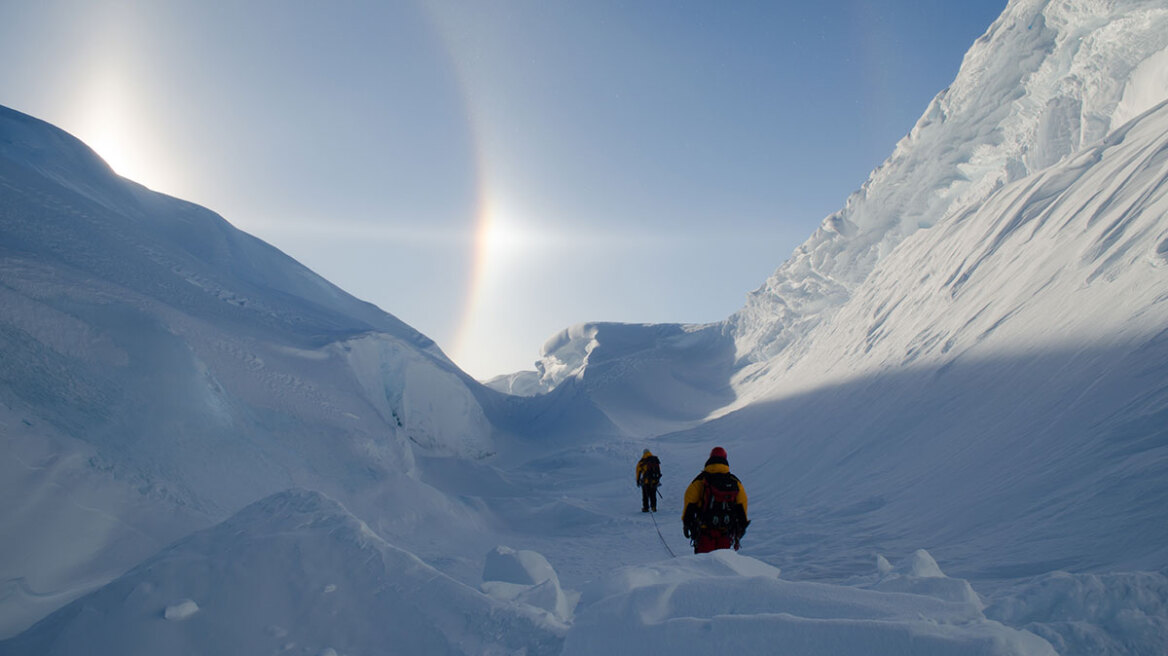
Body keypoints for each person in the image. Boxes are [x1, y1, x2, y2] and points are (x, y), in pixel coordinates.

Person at [682, 446, 749, 553]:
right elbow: (742, 504)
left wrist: (687, 523)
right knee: (722, 560)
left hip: (705, 531)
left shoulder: (701, 480)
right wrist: (741, 528)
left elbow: (689, 502)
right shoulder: (734, 481)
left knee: (704, 560)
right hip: (726, 531)